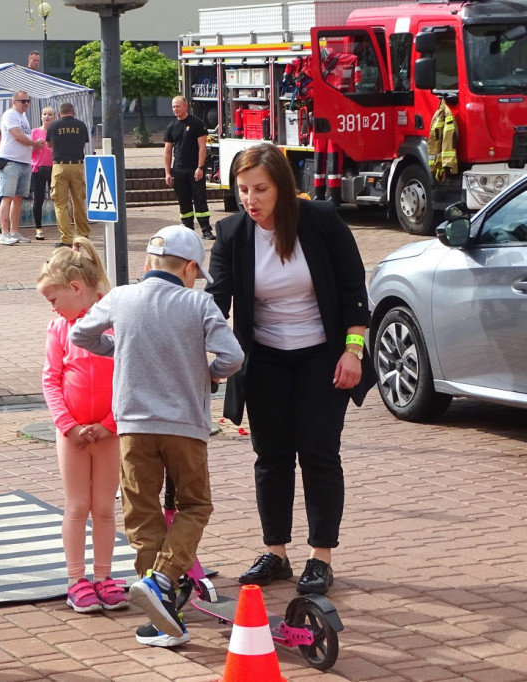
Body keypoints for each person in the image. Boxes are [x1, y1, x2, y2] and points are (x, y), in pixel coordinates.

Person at [207, 143, 370, 596]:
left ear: (282, 186)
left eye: (260, 189)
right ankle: (276, 552)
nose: (250, 200)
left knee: (319, 453)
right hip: (265, 360)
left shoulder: (320, 221)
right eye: (242, 190)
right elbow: (214, 302)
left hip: (323, 355)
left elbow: (353, 290)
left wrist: (353, 351)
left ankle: (321, 557)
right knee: (271, 456)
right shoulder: (232, 233)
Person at [71, 225, 243, 645]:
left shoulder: (122, 297)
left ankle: (161, 608)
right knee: (195, 504)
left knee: (142, 512)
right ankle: (164, 582)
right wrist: (208, 374)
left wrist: (121, 348)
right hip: (185, 425)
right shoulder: (198, 302)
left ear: (148, 264)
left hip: (132, 425)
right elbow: (233, 356)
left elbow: (80, 333)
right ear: (187, 268)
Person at [38, 238, 129, 614]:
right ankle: (77, 580)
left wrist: (109, 424)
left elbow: (128, 375)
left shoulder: (114, 322)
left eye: (53, 298)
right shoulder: (58, 328)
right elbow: (51, 379)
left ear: (76, 288)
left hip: (109, 433)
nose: (53, 307)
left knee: (105, 507)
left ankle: (104, 576)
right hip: (71, 434)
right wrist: (68, 425)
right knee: (77, 506)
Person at [0, 90, 43, 245]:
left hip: (24, 161)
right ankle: (4, 233)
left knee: (18, 198)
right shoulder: (10, 114)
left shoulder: (23, 117)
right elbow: (17, 135)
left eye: (28, 101)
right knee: (7, 196)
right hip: (10, 160)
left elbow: (24, 136)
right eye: (23, 101)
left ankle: (14, 231)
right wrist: (34, 143)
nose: (26, 104)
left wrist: (35, 143)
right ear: (14, 101)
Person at [164, 96, 213, 240]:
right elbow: (167, 152)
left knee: (200, 200)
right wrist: (167, 172)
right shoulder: (171, 127)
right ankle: (188, 230)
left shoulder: (196, 124)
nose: (175, 109)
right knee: (184, 202)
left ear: (185, 106)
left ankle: (206, 229)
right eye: (173, 107)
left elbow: (202, 147)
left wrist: (200, 167)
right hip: (178, 170)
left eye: (178, 106)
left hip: (194, 169)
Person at [46, 102, 91, 247]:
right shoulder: (81, 125)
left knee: (60, 204)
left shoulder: (53, 126)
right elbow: (83, 144)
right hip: (77, 165)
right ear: (74, 112)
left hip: (60, 166)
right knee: (78, 202)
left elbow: (49, 145)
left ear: (59, 114)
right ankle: (83, 236)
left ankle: (66, 238)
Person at [31, 107, 55, 242]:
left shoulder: (56, 131)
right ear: (41, 117)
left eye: (49, 114)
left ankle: (62, 226)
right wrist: (35, 145)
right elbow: (28, 149)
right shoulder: (35, 132)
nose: (47, 117)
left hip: (54, 167)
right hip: (38, 168)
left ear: (54, 117)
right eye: (44, 114)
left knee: (57, 198)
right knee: (38, 199)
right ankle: (38, 229)